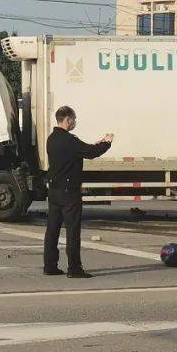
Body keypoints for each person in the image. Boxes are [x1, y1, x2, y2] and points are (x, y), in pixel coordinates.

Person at [43, 106, 113, 279]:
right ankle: (74, 268)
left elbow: (83, 150)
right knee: (72, 230)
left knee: (52, 229)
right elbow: (90, 153)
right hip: (69, 193)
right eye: (73, 119)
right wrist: (106, 143)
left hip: (54, 190)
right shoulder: (69, 140)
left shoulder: (51, 139)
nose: (74, 123)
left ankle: (49, 265)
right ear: (67, 120)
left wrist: (95, 144)